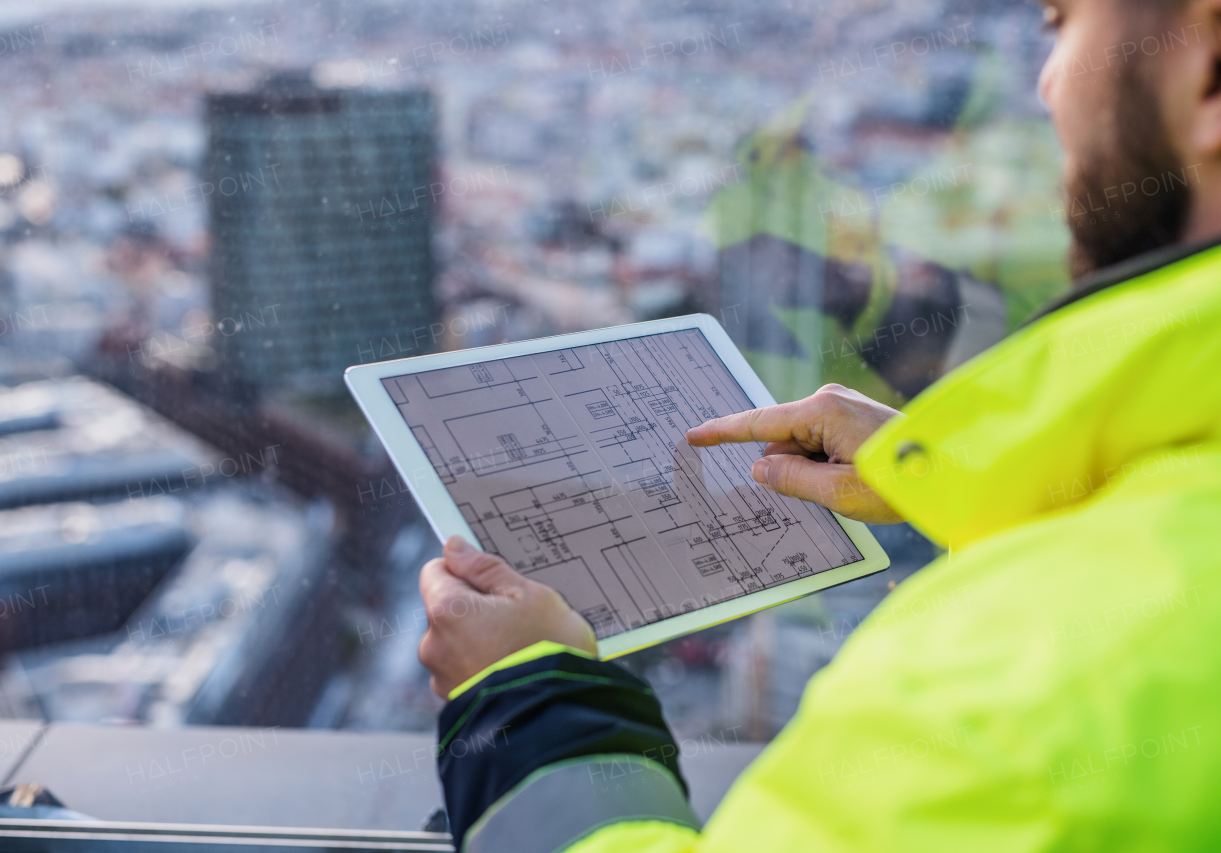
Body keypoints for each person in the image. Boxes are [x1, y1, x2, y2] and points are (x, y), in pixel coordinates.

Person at [416, 0, 1221, 849]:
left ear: (1209, 70)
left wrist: (528, 701)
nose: (1045, 81)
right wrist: (958, 474)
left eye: (1064, 24)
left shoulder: (1030, 689)